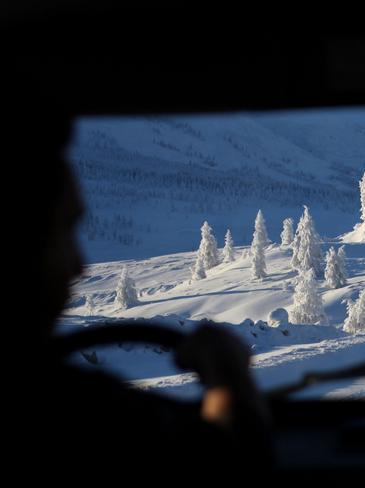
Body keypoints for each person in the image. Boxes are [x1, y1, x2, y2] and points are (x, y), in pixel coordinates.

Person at [14, 81, 272, 470]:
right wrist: (228, 377)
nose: (79, 266)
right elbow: (234, 460)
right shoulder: (75, 409)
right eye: (61, 233)